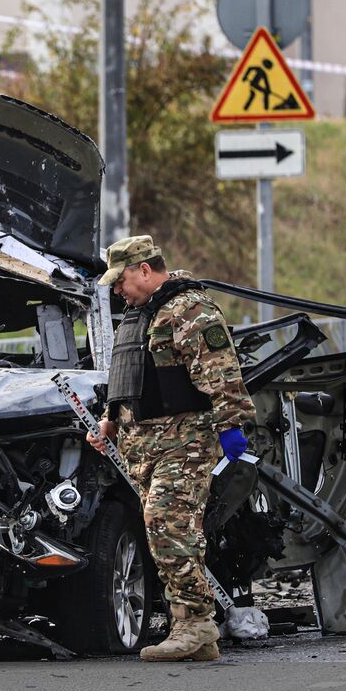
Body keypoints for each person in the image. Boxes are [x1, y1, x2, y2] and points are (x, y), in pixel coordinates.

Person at [86, 236, 255, 663]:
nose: (117, 290)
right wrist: (110, 418)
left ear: (145, 269)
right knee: (167, 531)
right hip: (143, 447)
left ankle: (193, 623)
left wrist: (232, 427)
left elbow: (222, 372)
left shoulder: (190, 310)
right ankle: (200, 633)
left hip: (186, 442)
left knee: (167, 523)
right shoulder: (139, 315)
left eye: (121, 280)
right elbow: (128, 377)